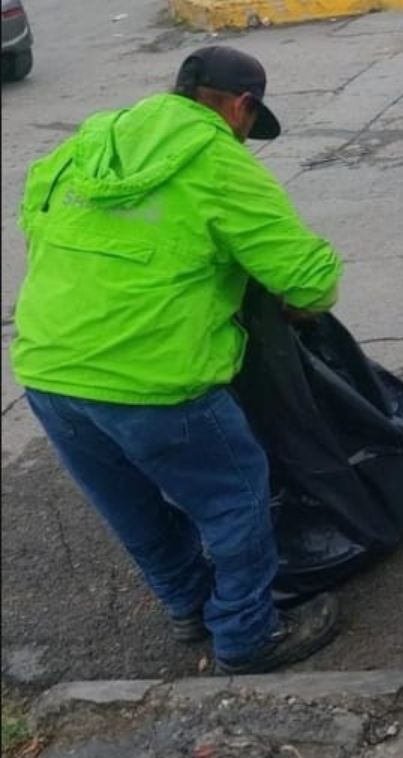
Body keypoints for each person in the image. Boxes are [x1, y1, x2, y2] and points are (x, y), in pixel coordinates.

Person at [11, 46, 345, 676]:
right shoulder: (217, 159)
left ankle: (186, 607)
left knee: (131, 504)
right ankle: (248, 635)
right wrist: (287, 306)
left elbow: (35, 220)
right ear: (241, 107)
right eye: (250, 124)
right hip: (155, 381)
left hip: (48, 368)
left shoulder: (83, 145)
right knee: (235, 498)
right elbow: (309, 280)